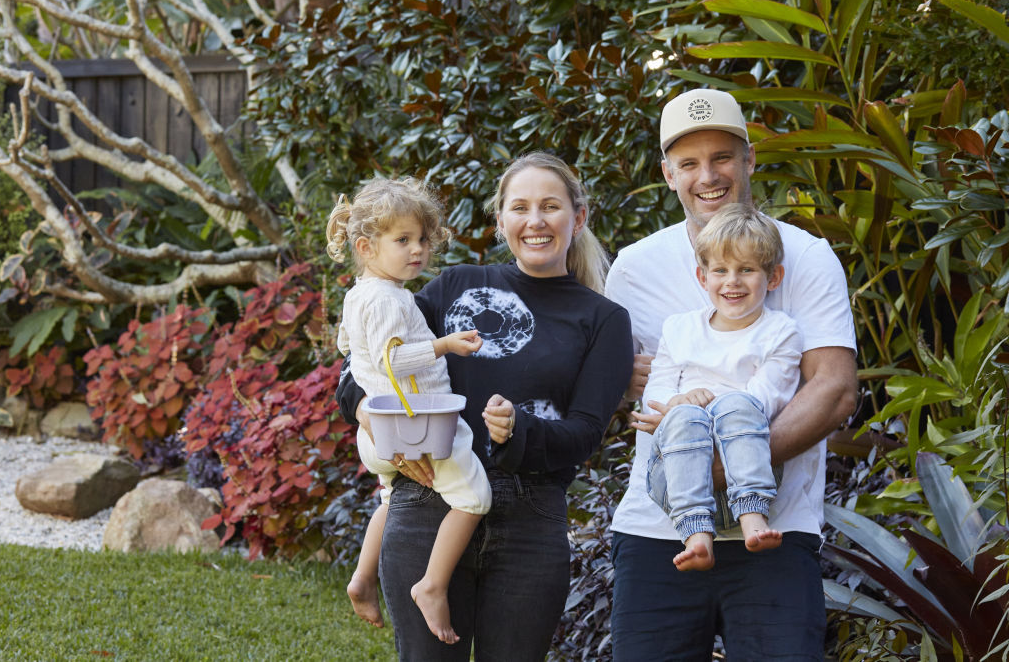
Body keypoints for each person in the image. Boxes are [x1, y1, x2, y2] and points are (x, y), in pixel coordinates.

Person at [336, 152, 633, 661]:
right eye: (519, 207)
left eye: (550, 207)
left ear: (577, 218)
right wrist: (375, 420)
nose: (535, 221)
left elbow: (585, 433)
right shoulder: (452, 288)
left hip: (530, 519)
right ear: (501, 222)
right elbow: (358, 368)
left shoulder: (604, 319)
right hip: (429, 501)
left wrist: (520, 430)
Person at [606, 88, 859, 661]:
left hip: (776, 527)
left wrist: (731, 466)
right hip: (657, 528)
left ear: (749, 160)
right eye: (689, 163)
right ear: (668, 173)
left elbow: (835, 387)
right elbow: (615, 387)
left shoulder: (806, 255)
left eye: (722, 157)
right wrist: (626, 383)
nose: (708, 176)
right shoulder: (635, 268)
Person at [327, 178, 492, 645]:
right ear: (366, 246)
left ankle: (362, 577)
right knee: (474, 497)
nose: (417, 249)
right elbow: (390, 361)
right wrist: (444, 345)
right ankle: (432, 584)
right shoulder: (386, 298)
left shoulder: (363, 293)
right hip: (414, 422)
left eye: (421, 239)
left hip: (378, 431)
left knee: (389, 497)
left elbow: (348, 347)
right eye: (402, 240)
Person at [642, 203, 801, 572]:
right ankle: (696, 535)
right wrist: (681, 402)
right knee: (682, 416)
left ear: (773, 278)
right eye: (720, 270)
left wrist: (706, 405)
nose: (732, 281)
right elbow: (658, 390)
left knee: (739, 407)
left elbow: (767, 397)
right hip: (676, 480)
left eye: (746, 270)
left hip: (749, 472)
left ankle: (752, 518)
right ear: (702, 277)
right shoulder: (680, 329)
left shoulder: (781, 332)